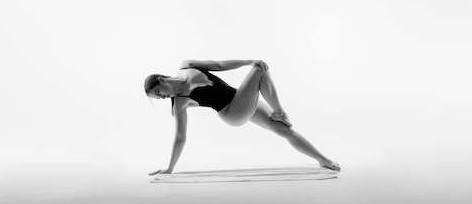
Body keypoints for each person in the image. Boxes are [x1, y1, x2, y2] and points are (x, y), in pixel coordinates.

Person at [144, 59, 340, 175]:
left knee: (285, 131)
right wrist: (169, 168)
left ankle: (323, 159)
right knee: (259, 70)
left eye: (158, 93)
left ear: (161, 80)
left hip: (240, 98)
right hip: (232, 112)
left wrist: (248, 60)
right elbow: (180, 137)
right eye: (158, 98)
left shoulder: (187, 65)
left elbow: (220, 64)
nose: (162, 98)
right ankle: (279, 110)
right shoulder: (180, 102)